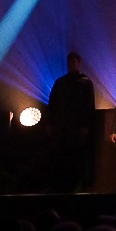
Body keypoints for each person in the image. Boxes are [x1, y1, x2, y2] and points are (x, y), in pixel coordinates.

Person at [44, 53, 97, 191]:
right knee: (61, 156)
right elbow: (53, 103)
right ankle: (61, 185)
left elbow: (89, 105)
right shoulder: (60, 82)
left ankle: (76, 185)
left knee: (76, 156)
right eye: (70, 62)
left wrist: (85, 125)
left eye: (74, 61)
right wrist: (50, 123)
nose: (71, 64)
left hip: (76, 126)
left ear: (78, 63)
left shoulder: (85, 83)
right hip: (62, 126)